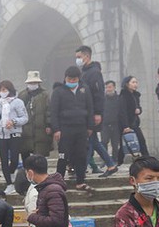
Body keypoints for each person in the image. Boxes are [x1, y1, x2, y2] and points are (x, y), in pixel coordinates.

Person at [76, 46, 117, 177]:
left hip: (92, 112)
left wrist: (97, 112)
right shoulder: (84, 72)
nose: (77, 60)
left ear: (86, 56)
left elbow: (98, 94)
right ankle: (111, 165)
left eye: (79, 57)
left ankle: (81, 170)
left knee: (89, 141)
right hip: (86, 111)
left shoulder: (94, 72)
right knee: (93, 141)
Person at [52, 66, 94, 192]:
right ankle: (58, 182)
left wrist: (90, 126)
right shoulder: (58, 91)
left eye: (74, 79)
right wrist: (56, 129)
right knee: (63, 156)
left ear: (78, 78)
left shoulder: (84, 89)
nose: (71, 81)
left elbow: (90, 108)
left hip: (81, 128)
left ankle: (80, 181)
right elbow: (54, 112)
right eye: (69, 79)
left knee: (81, 155)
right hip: (65, 128)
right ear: (65, 78)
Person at [0, 80, 28, 195]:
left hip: (14, 134)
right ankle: (9, 183)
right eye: (1, 90)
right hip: (1, 135)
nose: (3, 92)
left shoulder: (18, 102)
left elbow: (25, 118)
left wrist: (14, 121)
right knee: (4, 160)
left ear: (10, 90)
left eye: (5, 89)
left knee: (15, 159)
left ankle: (12, 174)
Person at [18, 71, 52, 159]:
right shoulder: (22, 95)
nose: (33, 84)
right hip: (25, 129)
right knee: (25, 152)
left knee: (40, 154)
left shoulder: (45, 95)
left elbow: (49, 111)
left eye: (34, 82)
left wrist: (48, 125)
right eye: (31, 83)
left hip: (40, 129)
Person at [119, 76, 150, 162]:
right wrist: (125, 126)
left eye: (136, 82)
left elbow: (138, 107)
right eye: (133, 82)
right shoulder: (123, 96)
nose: (135, 84)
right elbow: (122, 112)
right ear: (127, 84)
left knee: (141, 141)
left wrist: (139, 110)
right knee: (125, 144)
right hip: (127, 124)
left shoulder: (136, 95)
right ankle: (118, 162)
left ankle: (146, 159)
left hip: (135, 122)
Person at [102, 80, 122, 165]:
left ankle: (114, 160)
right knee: (104, 142)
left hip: (116, 124)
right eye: (106, 87)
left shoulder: (119, 98)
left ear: (114, 87)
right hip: (104, 125)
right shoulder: (102, 99)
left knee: (115, 144)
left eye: (110, 87)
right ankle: (105, 160)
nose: (108, 89)